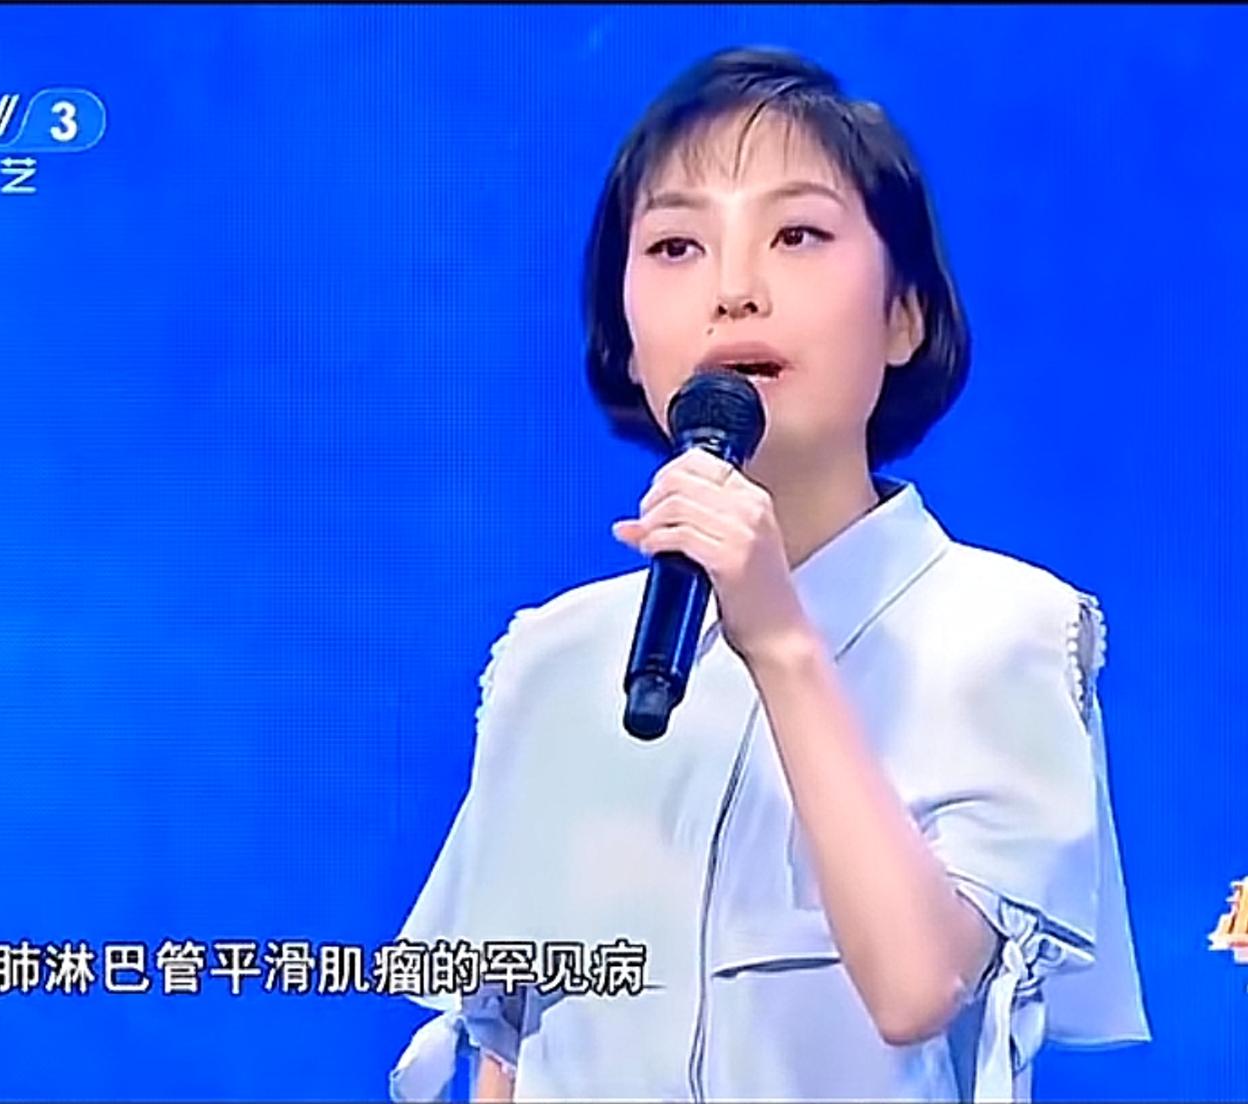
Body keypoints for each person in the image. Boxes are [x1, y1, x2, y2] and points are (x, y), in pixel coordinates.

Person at [387, 45, 1149, 1102]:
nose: (734, 291)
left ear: (904, 314)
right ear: (626, 337)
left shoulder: (1003, 630)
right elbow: (508, 1050)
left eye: (796, 235)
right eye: (675, 246)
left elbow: (918, 988)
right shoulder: (550, 661)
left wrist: (780, 641)